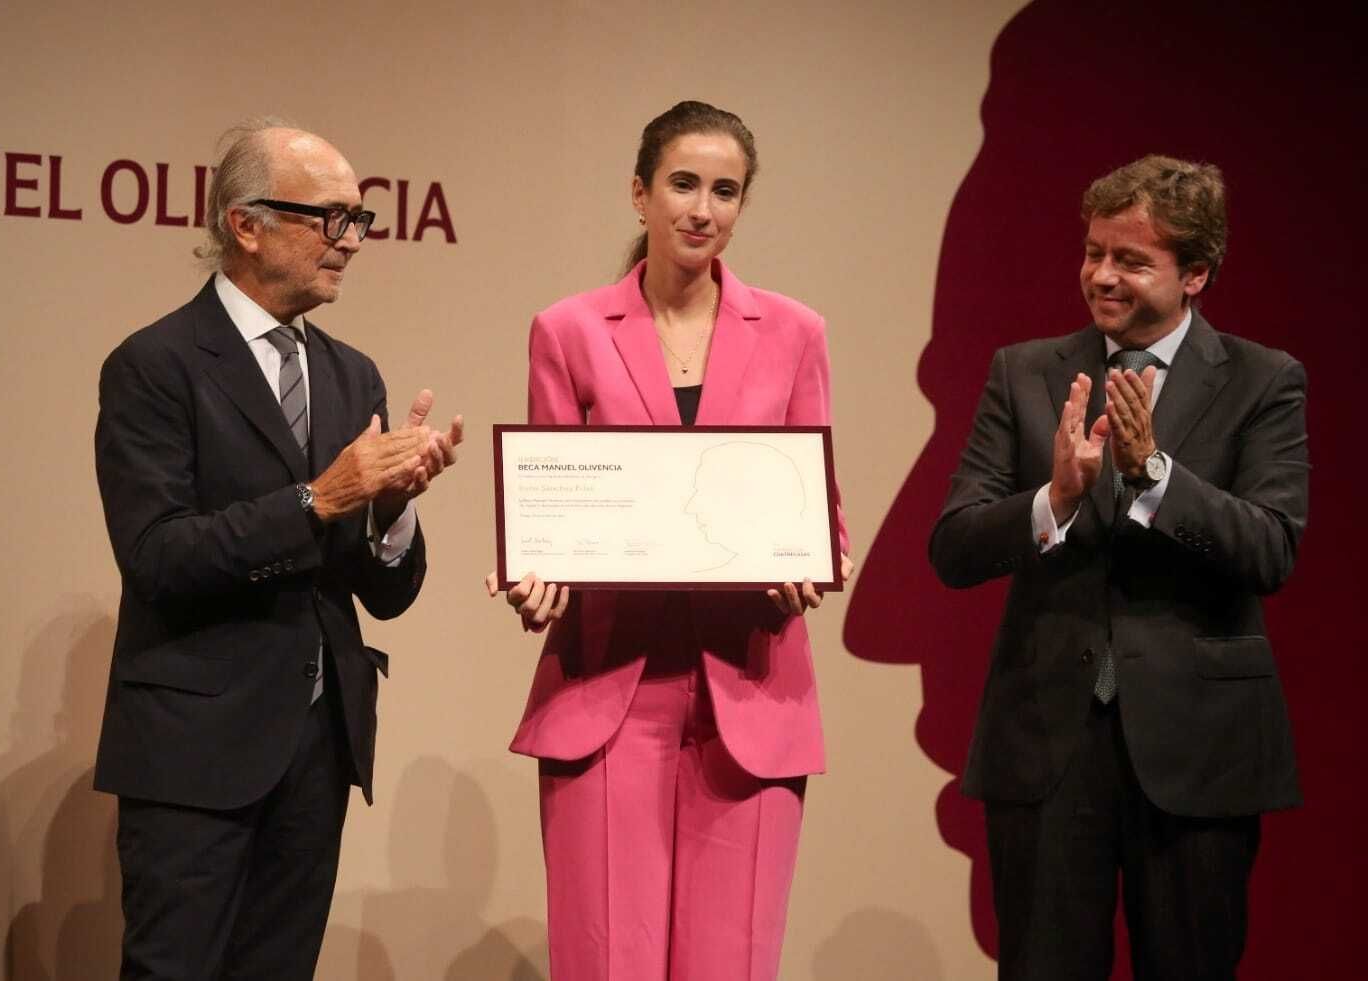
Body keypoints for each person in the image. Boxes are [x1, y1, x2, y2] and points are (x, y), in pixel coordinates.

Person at [486, 100, 853, 980]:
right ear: (639, 194)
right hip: (609, 686)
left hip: (752, 688)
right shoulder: (568, 329)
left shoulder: (797, 331)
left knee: (731, 964)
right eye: (684, 184)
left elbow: (822, 511)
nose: (703, 209)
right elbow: (548, 508)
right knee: (609, 961)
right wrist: (533, 572)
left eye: (725, 191)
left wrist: (821, 556)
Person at [92, 119, 462, 979]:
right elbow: (155, 555)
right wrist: (321, 497)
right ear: (245, 223)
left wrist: (391, 510)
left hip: (316, 745)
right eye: (329, 218)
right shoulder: (155, 365)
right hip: (193, 747)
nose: (351, 242)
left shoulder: (352, 374)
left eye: (359, 220)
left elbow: (385, 591)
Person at [929, 155, 1308, 980]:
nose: (1102, 275)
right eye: (1095, 251)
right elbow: (954, 546)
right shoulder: (1024, 372)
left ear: (1196, 273)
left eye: (1131, 260)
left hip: (1198, 750)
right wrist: (1053, 499)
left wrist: (1157, 478)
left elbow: (1271, 547)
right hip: (1047, 744)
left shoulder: (1262, 380)